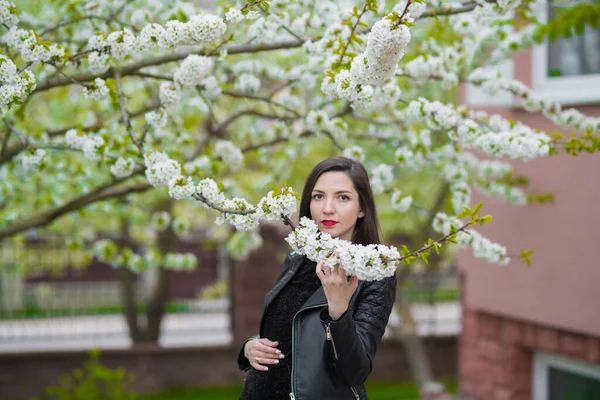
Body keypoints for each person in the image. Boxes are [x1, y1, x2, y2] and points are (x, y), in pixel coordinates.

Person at [237, 157, 397, 400]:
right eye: (318, 196)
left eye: (343, 197)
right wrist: (250, 347)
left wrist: (339, 309)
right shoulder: (298, 257)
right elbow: (288, 332)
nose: (328, 208)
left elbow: (355, 371)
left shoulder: (373, 271)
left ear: (362, 207)